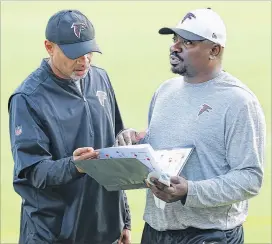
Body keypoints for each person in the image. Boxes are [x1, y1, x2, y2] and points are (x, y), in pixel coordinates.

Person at [115, 8, 266, 244]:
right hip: (155, 231)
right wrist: (134, 142)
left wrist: (190, 191)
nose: (175, 47)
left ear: (214, 50)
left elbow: (249, 178)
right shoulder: (165, 91)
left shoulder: (239, 102)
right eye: (175, 39)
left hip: (209, 235)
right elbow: (163, 152)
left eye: (187, 42)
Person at [8, 9, 131, 244]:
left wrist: (123, 219)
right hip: (52, 236)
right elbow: (34, 172)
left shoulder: (101, 79)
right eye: (74, 53)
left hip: (106, 232)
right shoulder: (28, 98)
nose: (84, 61)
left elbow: (114, 149)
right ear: (49, 47)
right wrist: (75, 166)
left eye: (88, 52)